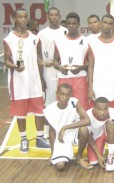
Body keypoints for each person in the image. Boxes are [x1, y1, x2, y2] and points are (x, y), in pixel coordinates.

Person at [3, 8, 50, 153]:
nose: (23, 20)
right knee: (20, 113)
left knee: (40, 111)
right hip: (18, 83)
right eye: (20, 17)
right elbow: (6, 61)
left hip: (34, 81)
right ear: (15, 19)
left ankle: (40, 138)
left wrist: (43, 63)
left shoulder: (34, 38)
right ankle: (23, 139)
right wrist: (15, 66)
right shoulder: (9, 39)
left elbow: (35, 58)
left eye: (25, 17)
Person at [44, 83, 91, 171]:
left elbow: (87, 120)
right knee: (60, 166)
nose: (65, 97)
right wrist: (52, 154)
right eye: (62, 94)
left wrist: (65, 127)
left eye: (67, 95)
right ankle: (58, 154)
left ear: (71, 95)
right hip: (60, 137)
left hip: (73, 132)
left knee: (84, 130)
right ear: (57, 94)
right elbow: (52, 132)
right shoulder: (49, 109)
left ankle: (79, 157)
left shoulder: (74, 102)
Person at [37, 7, 68, 138]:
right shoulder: (42, 34)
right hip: (48, 74)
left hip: (63, 74)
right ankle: (45, 133)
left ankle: (64, 130)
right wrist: (41, 79)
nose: (54, 17)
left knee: (64, 103)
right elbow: (38, 56)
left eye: (56, 15)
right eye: (52, 15)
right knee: (49, 106)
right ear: (47, 16)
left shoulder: (66, 31)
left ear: (60, 16)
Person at [88, 14, 114, 110]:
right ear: (100, 24)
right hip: (97, 87)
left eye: (110, 24)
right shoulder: (92, 42)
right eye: (105, 23)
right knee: (96, 120)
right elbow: (90, 66)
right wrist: (90, 87)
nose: (107, 26)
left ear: (113, 26)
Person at [53, 12, 89, 110]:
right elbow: (55, 61)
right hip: (64, 78)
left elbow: (90, 63)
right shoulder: (59, 40)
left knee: (81, 107)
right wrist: (60, 67)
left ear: (78, 24)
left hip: (80, 78)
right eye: (69, 23)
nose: (71, 26)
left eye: (74, 23)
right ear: (66, 24)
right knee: (63, 108)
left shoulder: (86, 41)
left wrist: (81, 68)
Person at [86, 97, 114, 171]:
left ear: (108, 108)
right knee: (93, 162)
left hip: (110, 134)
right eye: (99, 109)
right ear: (94, 108)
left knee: (110, 123)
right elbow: (88, 136)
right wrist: (99, 155)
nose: (102, 112)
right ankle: (101, 150)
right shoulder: (87, 115)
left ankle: (111, 155)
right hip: (96, 137)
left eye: (105, 109)